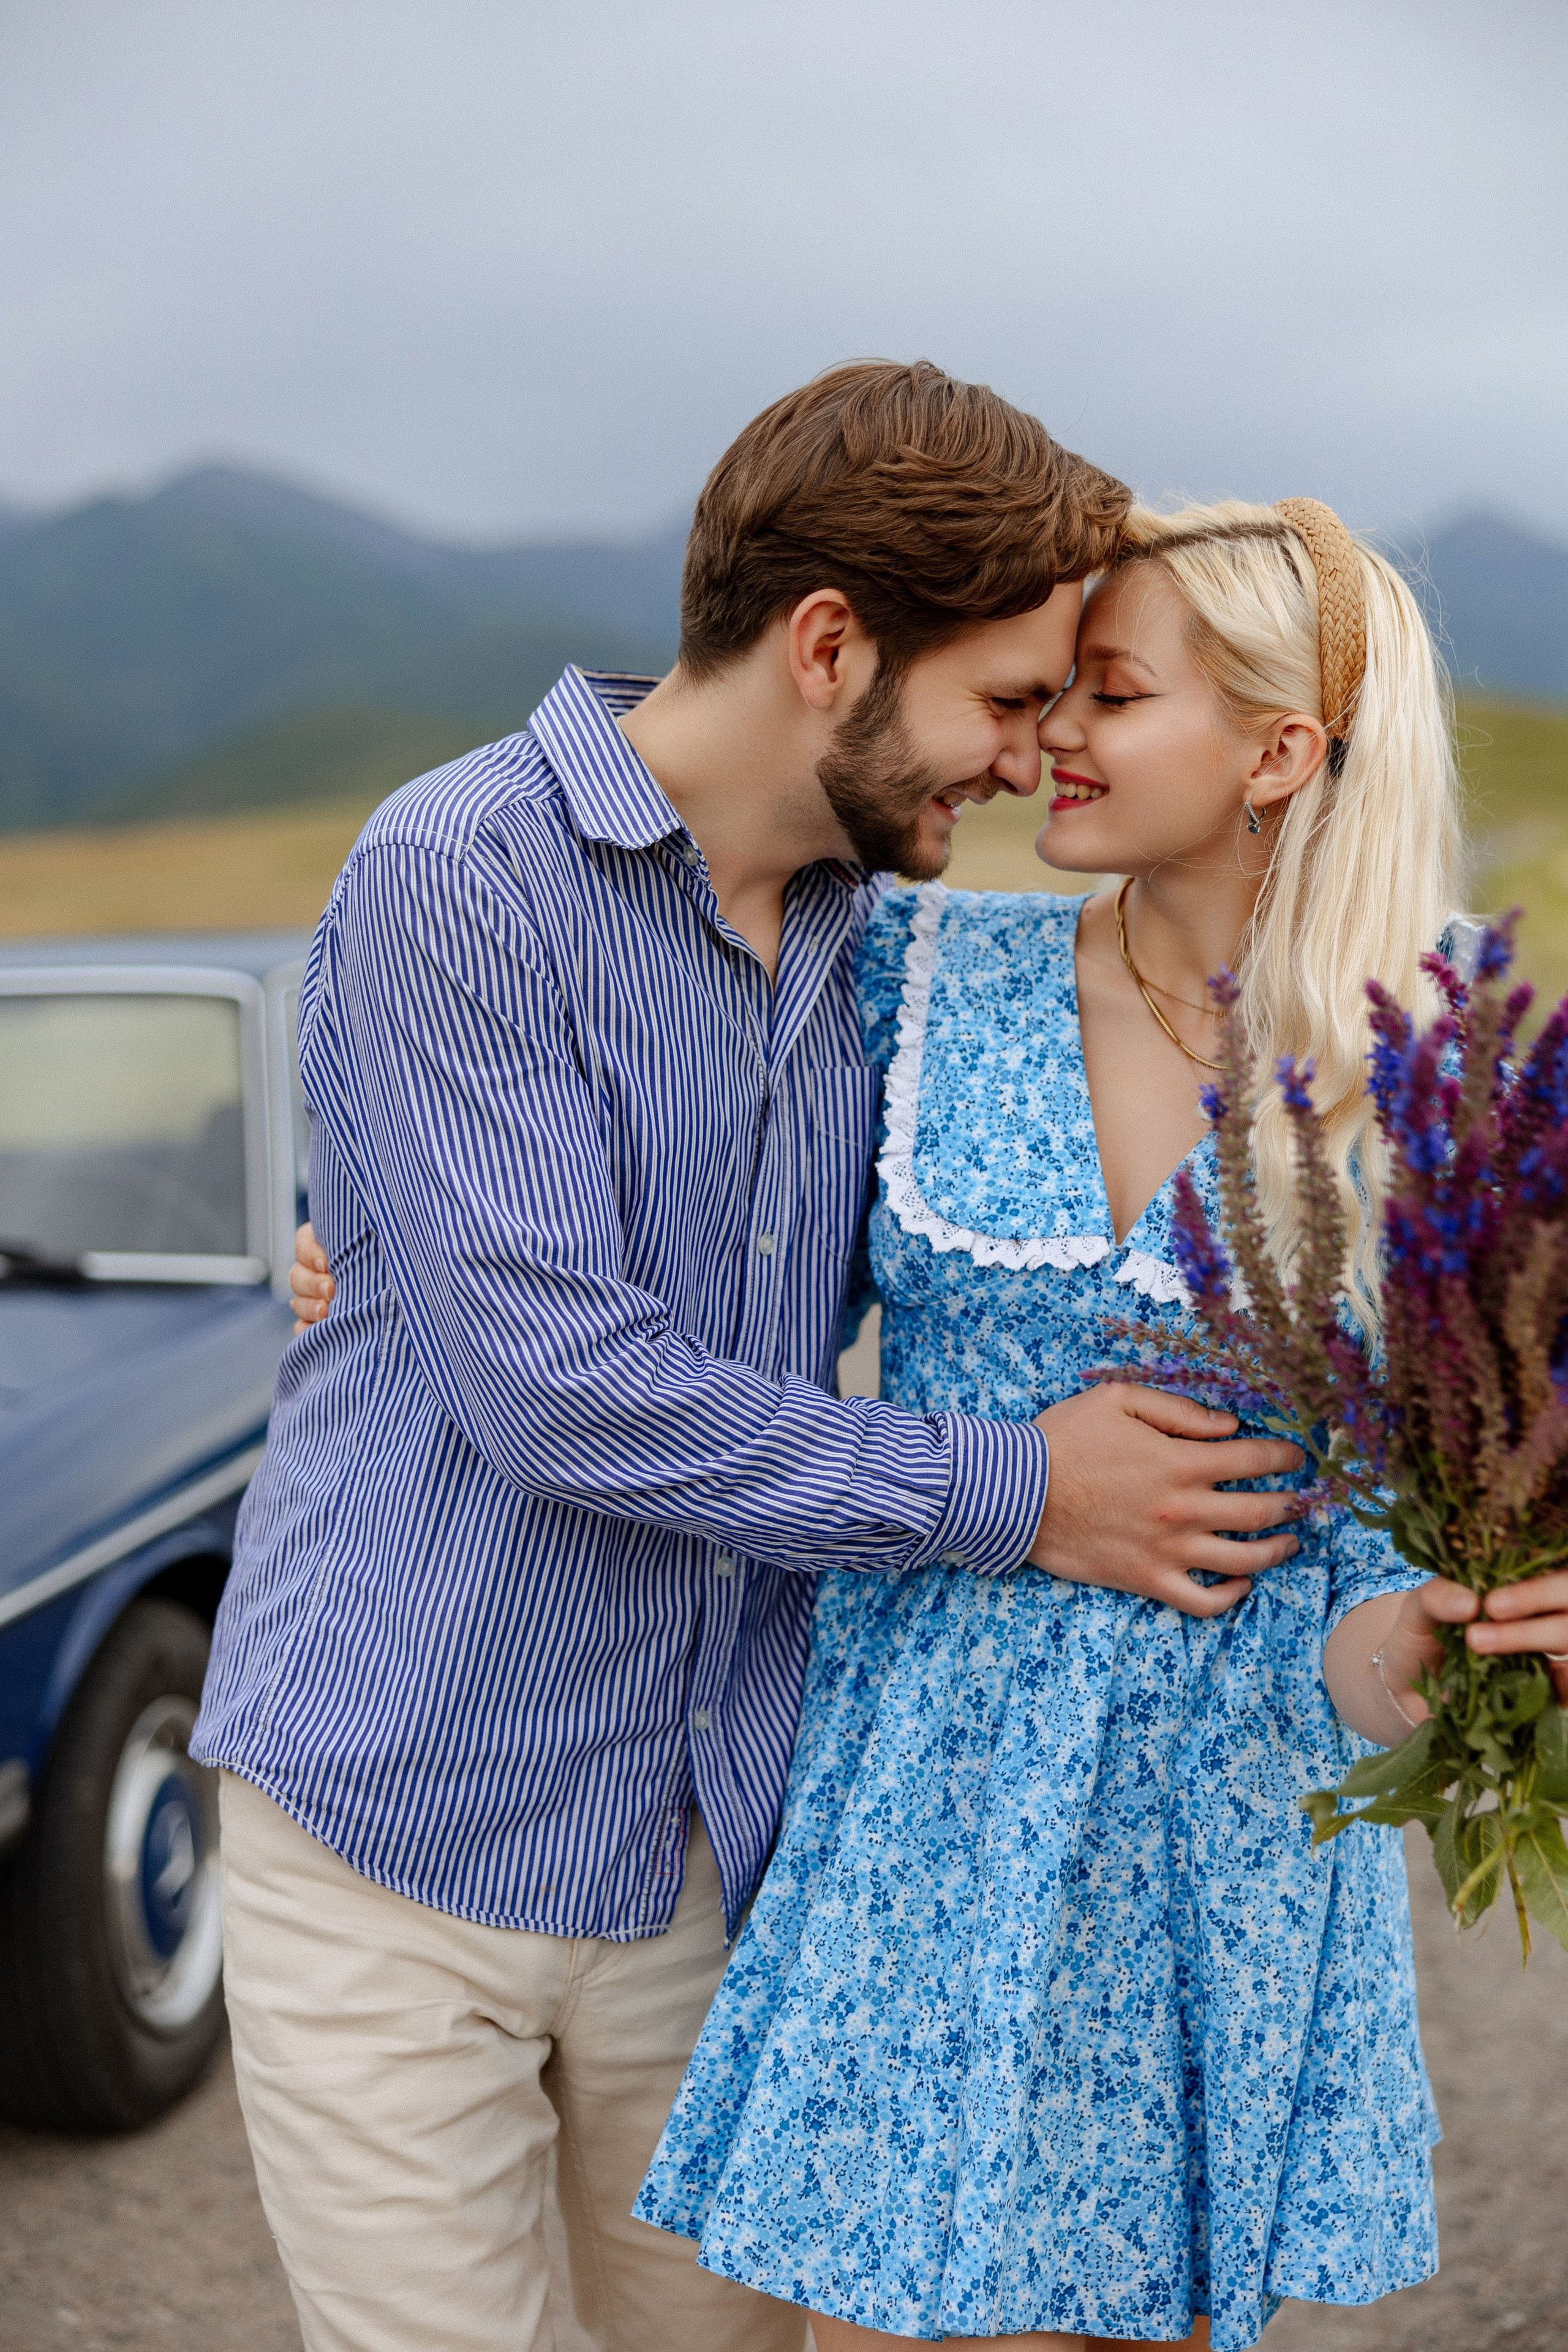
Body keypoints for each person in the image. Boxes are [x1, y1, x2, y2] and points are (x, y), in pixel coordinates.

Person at [196, 364, 1311, 2352]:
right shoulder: (460, 867)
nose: (1026, 758)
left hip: (719, 1840)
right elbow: (561, 1384)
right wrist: (1024, 1492)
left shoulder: (876, 947)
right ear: (828, 648)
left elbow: (1039, 1237)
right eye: (1007, 699)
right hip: (394, 1830)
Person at [632, 497, 1568, 2350]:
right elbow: (695, 1253)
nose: (1048, 733)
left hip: (1226, 1862)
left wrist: (1463, 1644)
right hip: (927, 1838)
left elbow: (1379, 1597)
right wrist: (385, 1257)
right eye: (1054, 689)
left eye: (1112, 696)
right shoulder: (915, 971)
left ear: (1277, 755)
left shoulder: (1448, 1067)